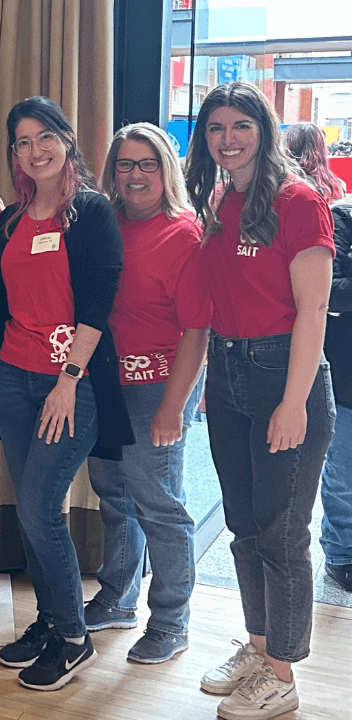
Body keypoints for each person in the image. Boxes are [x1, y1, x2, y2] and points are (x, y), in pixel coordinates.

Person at [185, 81, 336, 720]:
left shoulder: (298, 201)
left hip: (283, 374)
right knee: (244, 530)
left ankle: (283, 676)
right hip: (228, 372)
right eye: (215, 128)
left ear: (263, 129)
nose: (227, 138)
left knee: (280, 533)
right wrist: (201, 388)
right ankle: (258, 645)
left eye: (239, 125)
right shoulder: (223, 200)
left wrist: (294, 401)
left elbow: (313, 309)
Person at [0, 95, 132, 692]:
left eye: (45, 138)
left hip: (73, 382)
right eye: (21, 142)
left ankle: (72, 637)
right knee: (36, 508)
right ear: (13, 154)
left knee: (39, 507)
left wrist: (69, 377)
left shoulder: (90, 212)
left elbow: (97, 301)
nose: (34, 150)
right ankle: (46, 622)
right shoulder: (12, 220)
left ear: (66, 141)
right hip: (13, 377)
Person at [82, 123, 210, 663]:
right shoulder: (102, 220)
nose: (135, 175)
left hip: (158, 384)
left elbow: (197, 331)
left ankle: (172, 620)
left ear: (167, 170)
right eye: (125, 164)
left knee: (159, 504)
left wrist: (173, 407)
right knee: (113, 493)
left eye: (147, 164)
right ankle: (117, 596)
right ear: (112, 171)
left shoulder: (184, 233)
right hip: (106, 382)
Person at [286, 122, 352, 593]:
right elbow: (327, 295)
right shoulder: (340, 214)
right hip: (345, 372)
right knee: (343, 469)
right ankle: (343, 555)